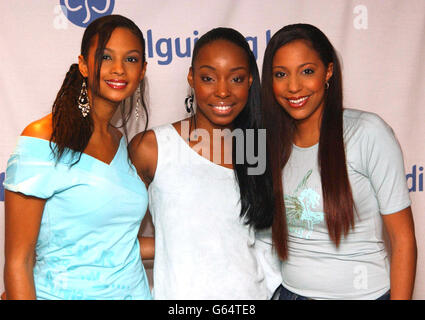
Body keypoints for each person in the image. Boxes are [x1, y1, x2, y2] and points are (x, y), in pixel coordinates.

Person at [261, 23, 417, 300]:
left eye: (307, 71)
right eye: (281, 74)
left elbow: (403, 239)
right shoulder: (269, 143)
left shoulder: (367, 133)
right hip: (289, 294)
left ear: (328, 72)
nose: (294, 86)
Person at [3, 15, 153, 300]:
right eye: (106, 57)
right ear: (84, 64)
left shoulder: (122, 144)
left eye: (131, 60)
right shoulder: (42, 140)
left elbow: (114, 240)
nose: (119, 69)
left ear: (143, 70)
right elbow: (17, 262)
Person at [129, 27, 280, 299]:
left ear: (249, 82)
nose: (222, 91)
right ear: (192, 78)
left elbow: (265, 238)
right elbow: (110, 231)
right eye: (209, 78)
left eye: (236, 78)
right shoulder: (152, 147)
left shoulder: (254, 147)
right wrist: (168, 246)